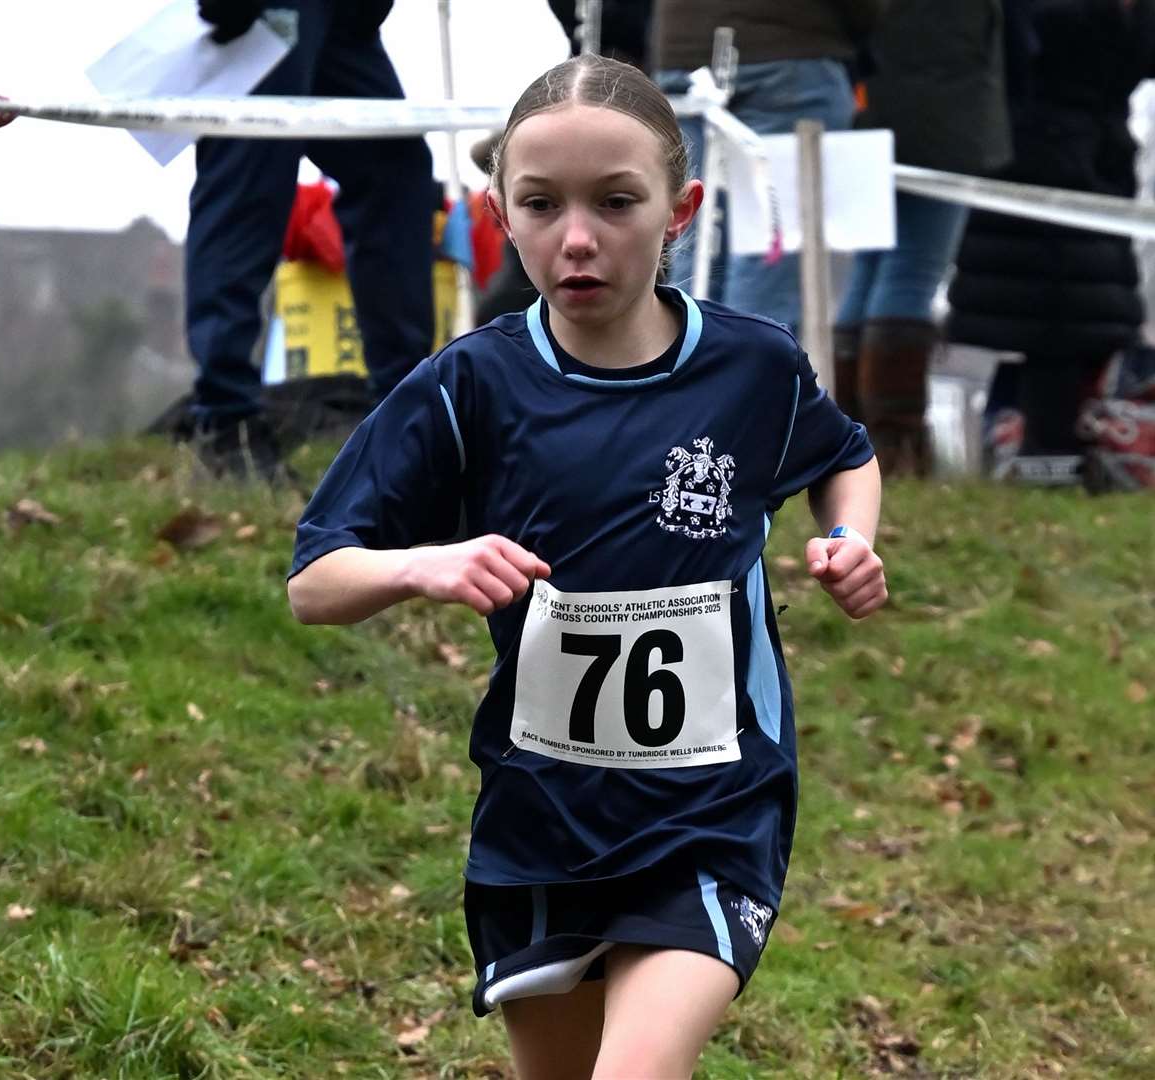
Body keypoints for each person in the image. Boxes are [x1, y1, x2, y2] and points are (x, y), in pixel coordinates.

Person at [288, 54, 886, 1078]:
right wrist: (424, 566)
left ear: (680, 209)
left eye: (615, 203)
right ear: (500, 212)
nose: (577, 239)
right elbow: (314, 581)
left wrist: (850, 538)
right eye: (541, 204)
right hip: (543, 820)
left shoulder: (752, 369)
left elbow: (846, 457)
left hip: (713, 810)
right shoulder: (467, 388)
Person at [948, 0, 1155, 466]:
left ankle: (1071, 454)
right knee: (1052, 323)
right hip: (1037, 166)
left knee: (1089, 327)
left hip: (1098, 170)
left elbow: (1127, 60)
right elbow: (1043, 47)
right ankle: (1044, 458)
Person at [185, 0, 436, 478]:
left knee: (395, 170)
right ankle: (225, 423)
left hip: (343, 16)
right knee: (249, 183)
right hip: (266, 8)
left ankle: (401, 415)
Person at [833, 0, 1012, 476]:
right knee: (911, 272)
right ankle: (894, 448)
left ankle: (848, 435)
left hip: (871, 104)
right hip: (941, 114)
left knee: (870, 268)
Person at [652, 0, 886, 336]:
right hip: (789, 50)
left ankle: (690, 377)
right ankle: (749, 380)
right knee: (769, 253)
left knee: (698, 247)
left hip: (683, 48)